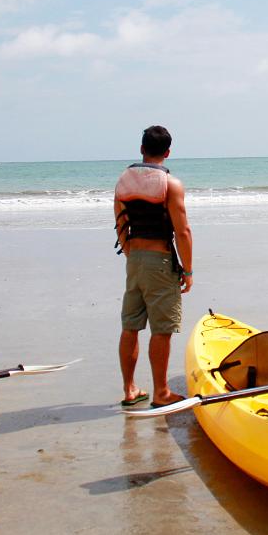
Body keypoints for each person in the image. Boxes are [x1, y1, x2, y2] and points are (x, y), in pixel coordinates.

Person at [114, 126, 193, 408]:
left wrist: (131, 255)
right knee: (161, 329)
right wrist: (188, 269)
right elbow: (182, 230)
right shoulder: (170, 184)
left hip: (134, 258)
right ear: (168, 152)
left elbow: (121, 224)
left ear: (141, 148)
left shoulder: (123, 180)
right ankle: (161, 393)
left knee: (130, 325)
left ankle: (129, 389)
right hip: (160, 260)